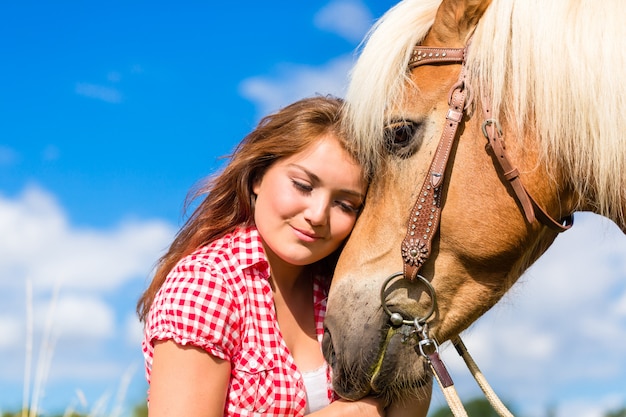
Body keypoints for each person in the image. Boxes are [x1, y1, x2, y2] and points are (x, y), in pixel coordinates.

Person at [137, 95, 386, 417]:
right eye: (303, 185)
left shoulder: (345, 291)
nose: (318, 214)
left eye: (345, 204)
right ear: (257, 178)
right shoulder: (207, 285)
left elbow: (410, 397)